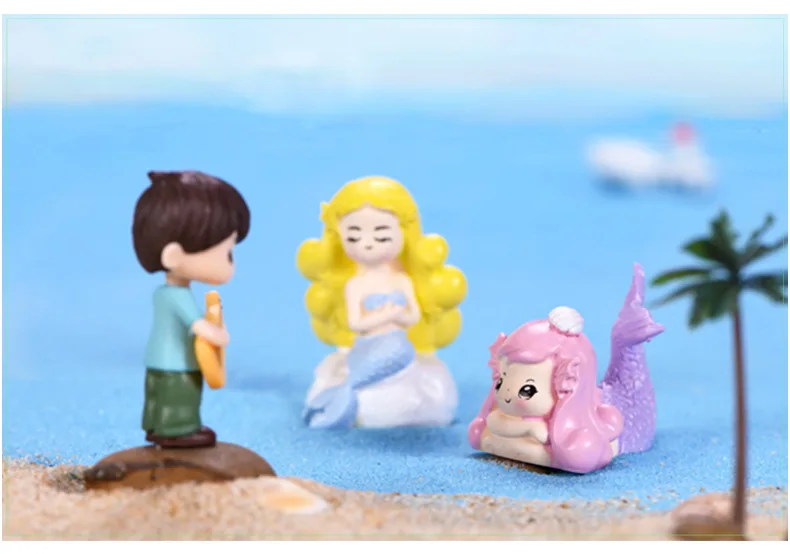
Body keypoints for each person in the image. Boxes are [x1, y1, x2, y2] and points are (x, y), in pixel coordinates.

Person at [132, 170, 251, 447]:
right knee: (181, 395)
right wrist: (221, 336)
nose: (230, 263)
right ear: (174, 256)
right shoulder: (179, 296)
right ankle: (178, 427)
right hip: (178, 363)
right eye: (227, 253)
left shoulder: (163, 294)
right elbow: (200, 327)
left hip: (156, 358)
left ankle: (155, 423)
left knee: (157, 394)